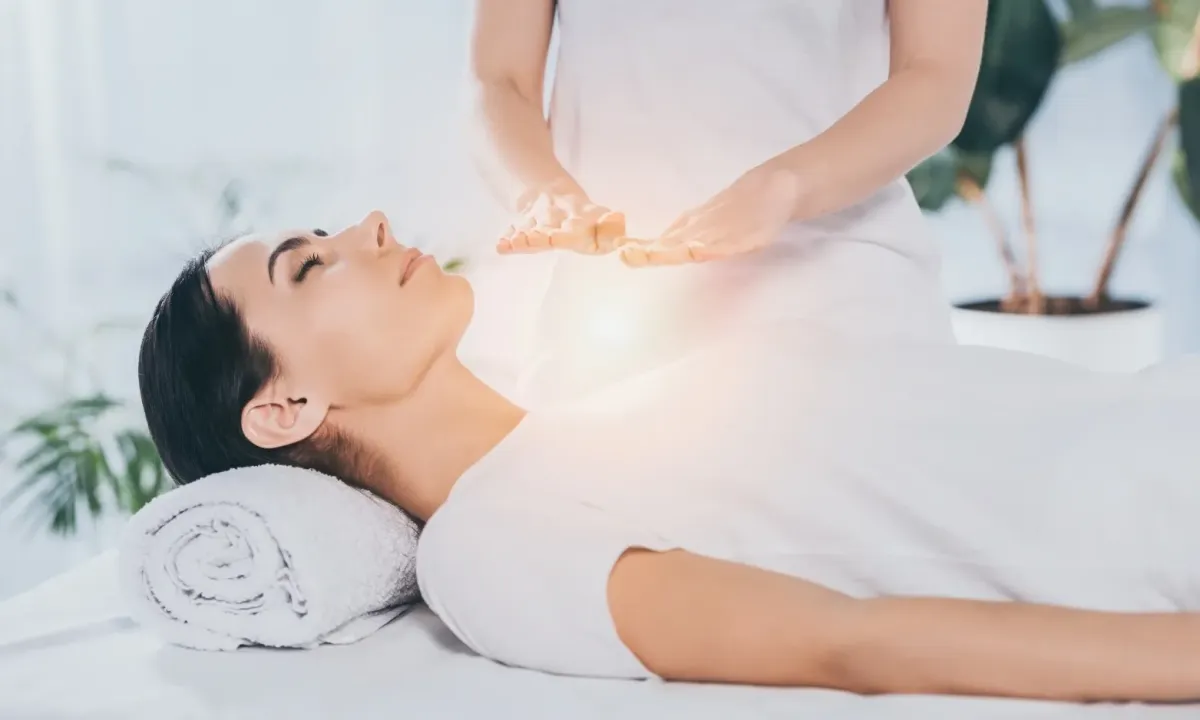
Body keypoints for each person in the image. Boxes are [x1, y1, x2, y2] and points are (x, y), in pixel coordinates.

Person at [139, 213, 1200, 703]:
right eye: (310, 265)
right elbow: (852, 644)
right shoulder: (486, 549)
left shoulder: (598, 407)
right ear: (285, 408)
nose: (368, 226)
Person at [468, 0, 987, 404]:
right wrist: (544, 192)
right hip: (613, 323)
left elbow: (936, 74)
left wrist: (783, 186)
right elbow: (498, 80)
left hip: (846, 304)